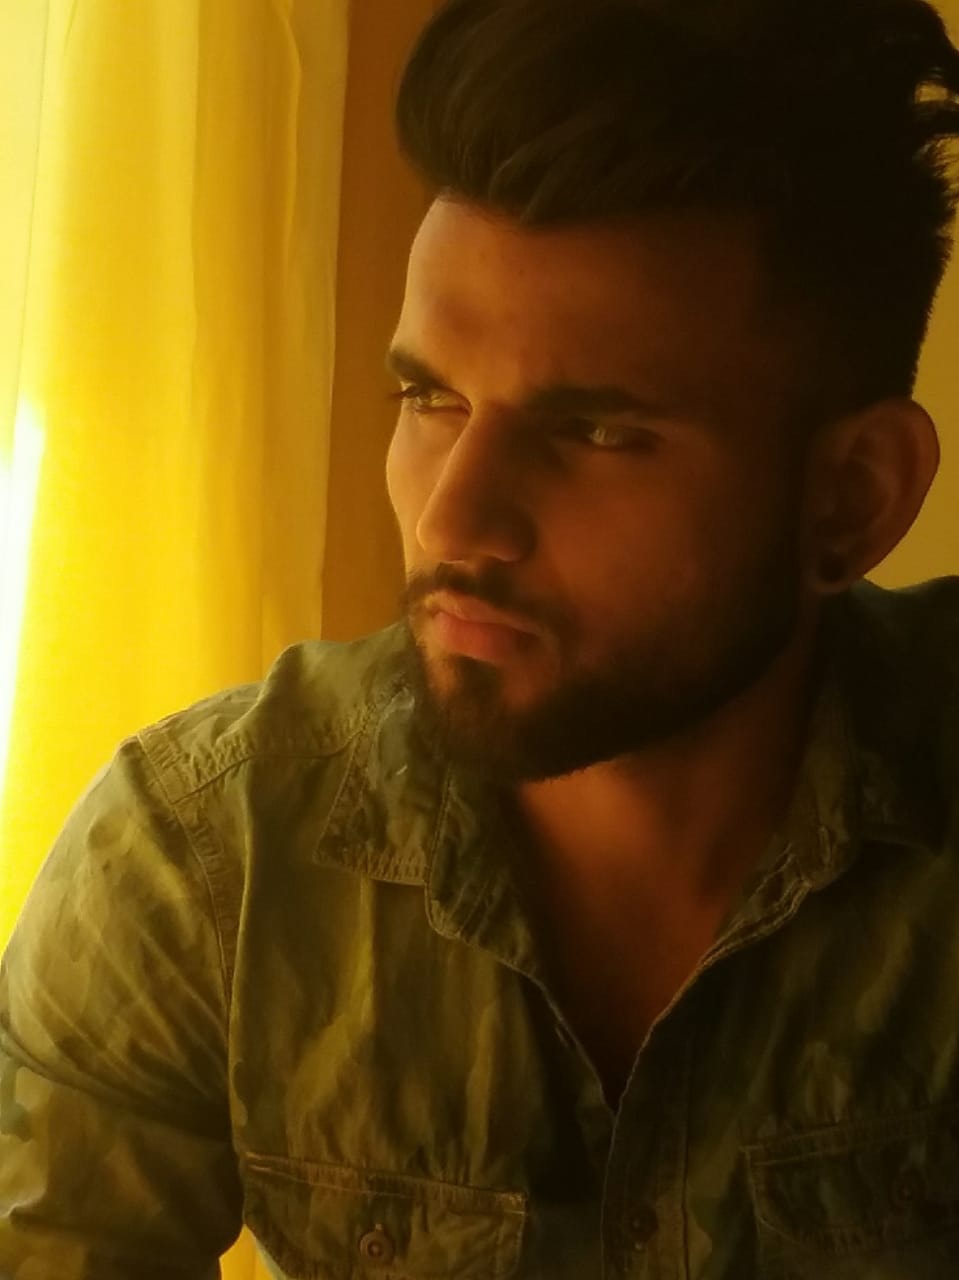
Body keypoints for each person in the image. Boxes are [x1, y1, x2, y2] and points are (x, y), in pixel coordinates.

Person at [3, 0, 959, 1275]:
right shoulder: (202, 861)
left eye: (594, 432)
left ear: (849, 497)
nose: (452, 517)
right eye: (429, 397)